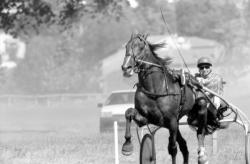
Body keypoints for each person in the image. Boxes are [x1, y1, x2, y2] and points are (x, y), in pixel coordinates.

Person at [195, 57, 226, 125]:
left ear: (210, 68)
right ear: (199, 69)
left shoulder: (217, 77)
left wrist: (202, 81)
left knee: (216, 100)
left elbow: (215, 90)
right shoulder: (195, 78)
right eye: (201, 68)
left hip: (213, 101)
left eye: (207, 67)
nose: (204, 69)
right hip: (200, 101)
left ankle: (213, 118)